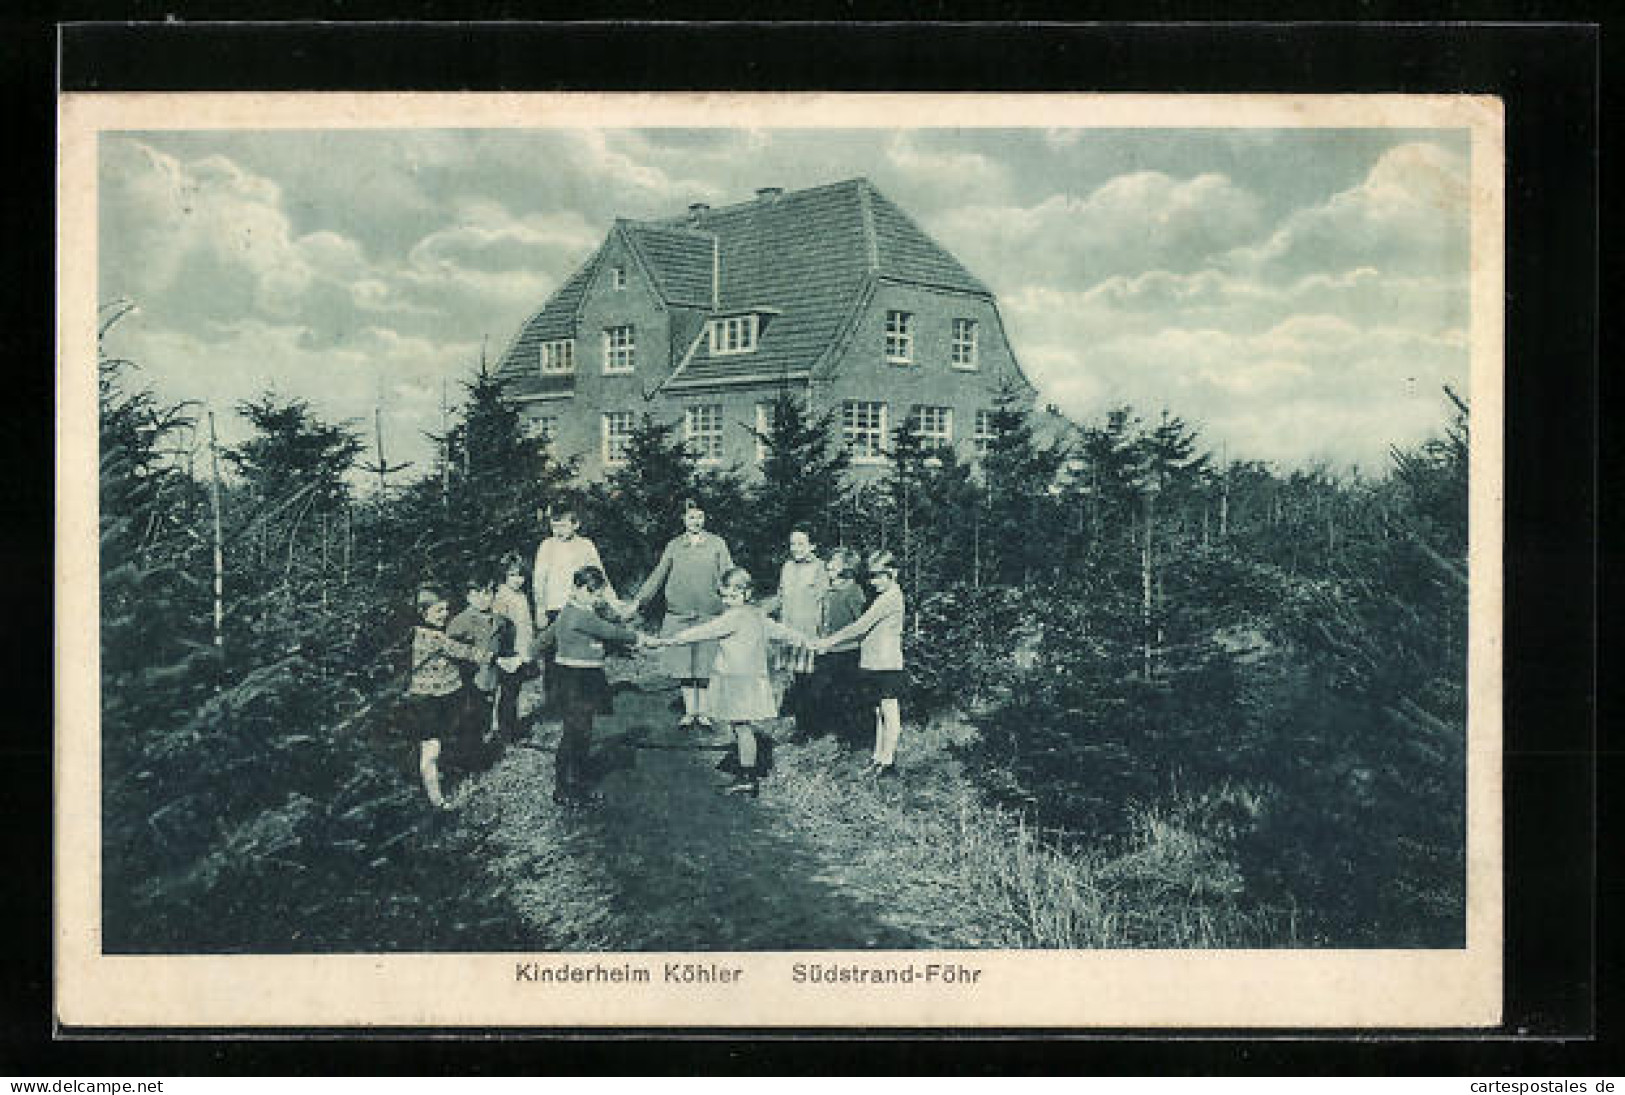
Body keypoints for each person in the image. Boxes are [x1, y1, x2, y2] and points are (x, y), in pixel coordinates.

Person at [647, 567, 810, 798]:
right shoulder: (757, 614)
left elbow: (703, 631)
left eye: (733, 595)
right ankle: (746, 773)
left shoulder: (734, 617)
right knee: (739, 726)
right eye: (724, 596)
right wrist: (807, 640)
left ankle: (747, 778)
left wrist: (668, 641)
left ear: (747, 593)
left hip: (737, 680)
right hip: (749, 679)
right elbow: (782, 632)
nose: (727, 601)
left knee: (742, 727)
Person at [627, 499, 734, 732]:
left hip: (709, 614)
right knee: (684, 666)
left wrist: (735, 603)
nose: (695, 521)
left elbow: (728, 574)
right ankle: (689, 712)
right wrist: (639, 600)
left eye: (699, 517)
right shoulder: (674, 545)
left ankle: (703, 713)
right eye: (691, 517)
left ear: (705, 519)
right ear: (683, 519)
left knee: (705, 666)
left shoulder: (717, 544)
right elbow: (658, 574)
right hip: (679, 615)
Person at [550, 565, 645, 806]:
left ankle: (577, 780)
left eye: (598, 593)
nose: (596, 598)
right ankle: (566, 788)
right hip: (574, 678)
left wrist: (528, 653)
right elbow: (609, 631)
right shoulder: (577, 614)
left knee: (583, 730)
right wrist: (639, 638)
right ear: (576, 589)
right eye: (591, 592)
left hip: (586, 675)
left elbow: (548, 635)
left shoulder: (575, 611)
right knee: (575, 732)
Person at [812, 550, 907, 779]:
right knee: (878, 712)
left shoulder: (891, 597)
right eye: (871, 577)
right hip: (875, 662)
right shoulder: (883, 596)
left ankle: (888, 762)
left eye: (879, 576)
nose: (874, 582)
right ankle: (878, 759)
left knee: (889, 711)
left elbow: (860, 626)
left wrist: (829, 640)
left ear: (893, 573)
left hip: (887, 665)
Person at [406, 589, 494, 809]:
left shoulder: (428, 632)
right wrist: (498, 659)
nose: (444, 614)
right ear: (423, 612)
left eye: (446, 609)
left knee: (437, 744)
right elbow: (462, 651)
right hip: (426, 701)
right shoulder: (430, 636)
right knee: (431, 747)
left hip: (436, 698)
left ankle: (437, 789)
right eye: (438, 610)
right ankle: (436, 800)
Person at [759, 527, 828, 738]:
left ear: (812, 546)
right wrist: (757, 613)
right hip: (788, 632)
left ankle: (811, 728)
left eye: (801, 544)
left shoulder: (819, 568)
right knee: (795, 680)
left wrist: (823, 635)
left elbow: (824, 603)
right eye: (793, 544)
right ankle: (800, 726)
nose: (796, 548)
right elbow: (780, 597)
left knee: (809, 681)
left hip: (808, 633)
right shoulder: (787, 567)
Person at [447, 576, 507, 773]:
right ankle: (470, 764)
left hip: (489, 677)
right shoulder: (461, 621)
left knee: (484, 718)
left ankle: (480, 754)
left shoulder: (497, 619)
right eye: (477, 593)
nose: (483, 598)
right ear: (468, 596)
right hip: (470, 681)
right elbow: (451, 650)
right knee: (470, 721)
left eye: (488, 593)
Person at [809, 547, 868, 747]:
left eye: (834, 562)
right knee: (825, 692)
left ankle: (853, 738)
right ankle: (831, 731)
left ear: (847, 568)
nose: (829, 565)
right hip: (828, 650)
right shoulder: (830, 591)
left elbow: (861, 623)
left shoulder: (853, 591)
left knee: (848, 695)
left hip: (847, 652)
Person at [490, 553, 538, 744]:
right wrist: (507, 653)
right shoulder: (502, 596)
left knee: (515, 690)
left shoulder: (521, 595)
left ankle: (511, 726)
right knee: (508, 693)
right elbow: (501, 628)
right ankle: (506, 732)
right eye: (512, 575)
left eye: (521, 576)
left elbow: (526, 624)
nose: (518, 580)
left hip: (522, 648)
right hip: (510, 651)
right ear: (504, 576)